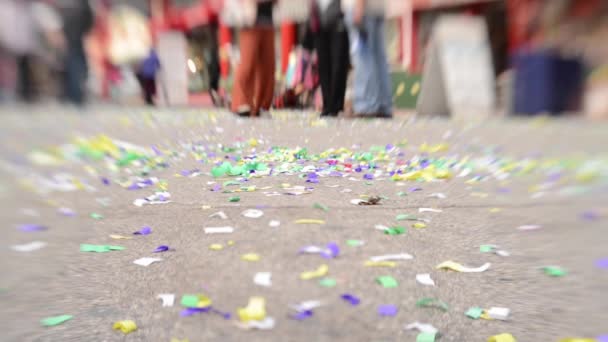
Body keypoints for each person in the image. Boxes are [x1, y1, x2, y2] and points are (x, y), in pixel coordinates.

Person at [343, 0, 392, 118]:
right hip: (377, 8)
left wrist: (359, 7)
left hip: (362, 9)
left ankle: (365, 105)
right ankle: (383, 105)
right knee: (378, 59)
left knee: (362, 58)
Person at [231, 0, 277, 117]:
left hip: (268, 21)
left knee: (268, 66)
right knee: (248, 64)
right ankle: (241, 103)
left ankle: (262, 106)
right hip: (250, 21)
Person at [309, 0, 350, 117]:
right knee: (323, 65)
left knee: (339, 64)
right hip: (319, 19)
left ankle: (336, 105)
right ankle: (327, 105)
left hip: (338, 19)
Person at [57, 0, 94, 105]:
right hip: (77, 39)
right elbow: (89, 21)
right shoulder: (83, 5)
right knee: (77, 67)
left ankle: (74, 96)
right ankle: (75, 96)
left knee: (74, 67)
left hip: (74, 39)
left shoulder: (75, 5)